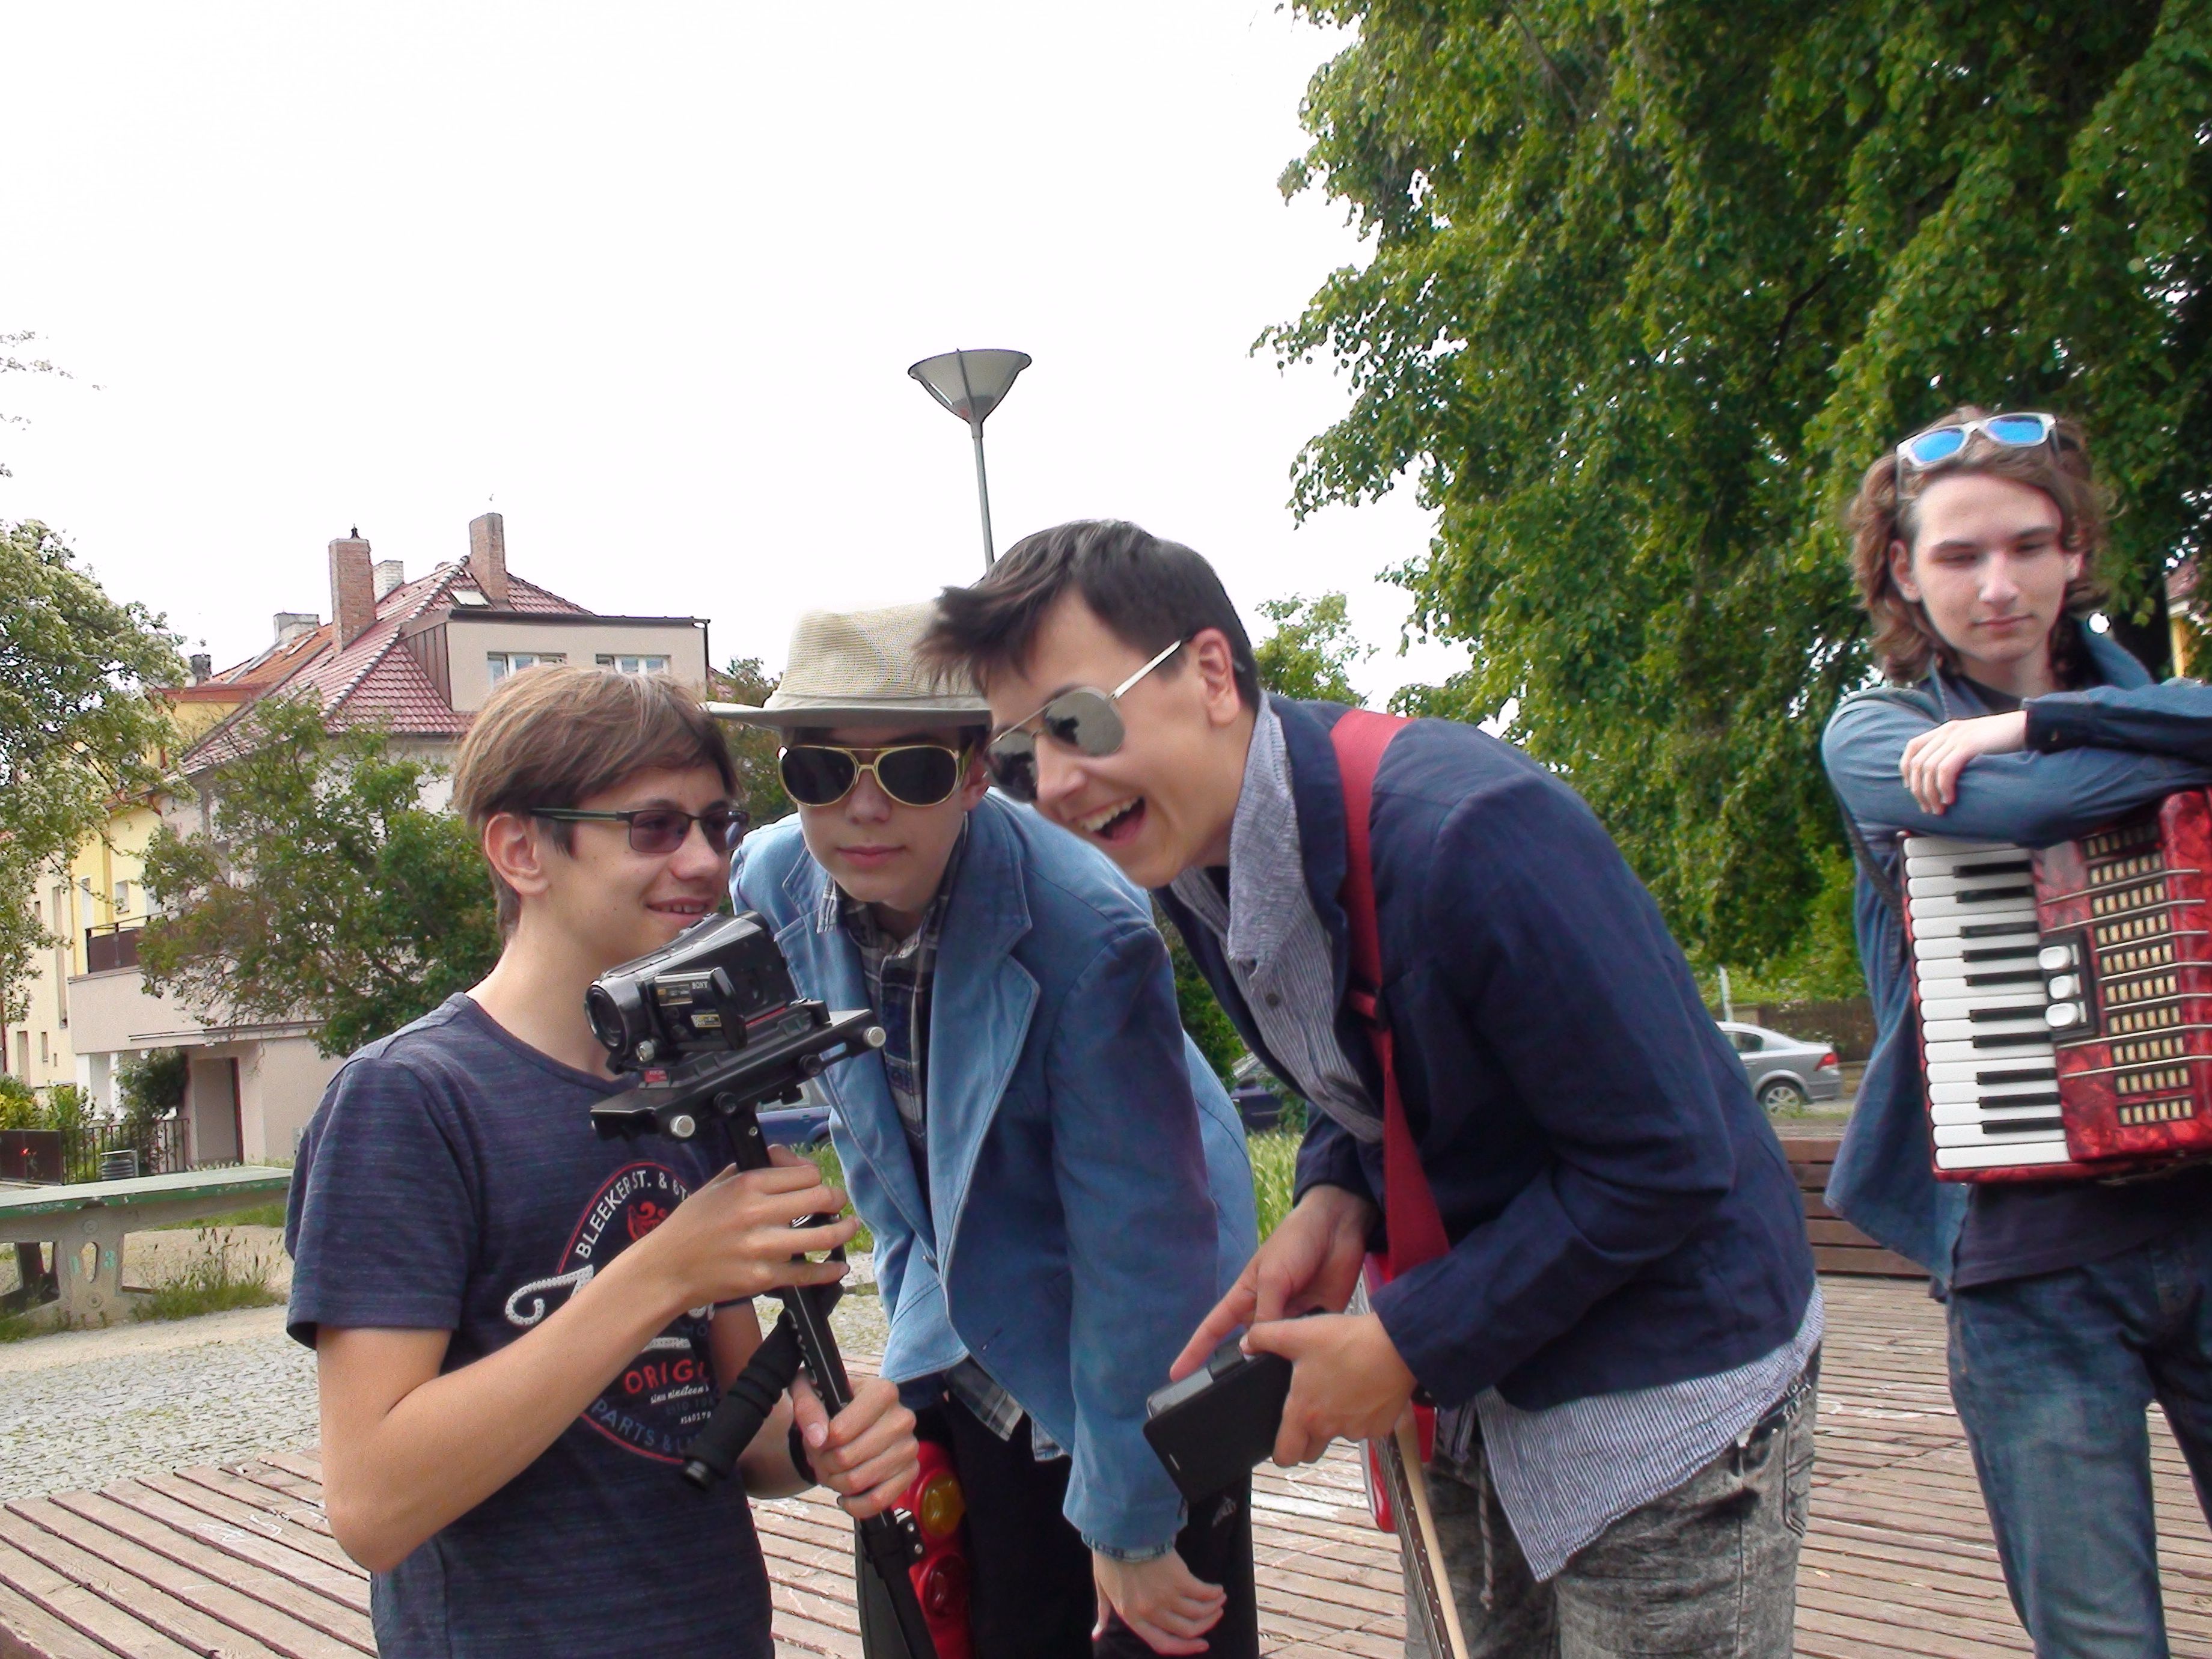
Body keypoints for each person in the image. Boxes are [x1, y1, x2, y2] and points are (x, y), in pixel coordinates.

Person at [921, 521, 1821, 1658]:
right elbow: (1379, 1064)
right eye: (1017, 760)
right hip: (1485, 1379)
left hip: (1668, 1393)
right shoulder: (1192, 858)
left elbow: (1670, 1161)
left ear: (1211, 675)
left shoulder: (1471, 835)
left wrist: (1405, 1344)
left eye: (1079, 723)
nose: (1053, 786)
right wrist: (1334, 1193)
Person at [284, 665, 918, 1658]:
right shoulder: (408, 1101)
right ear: (521, 850)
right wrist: (662, 1273)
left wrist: (823, 1433)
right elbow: (374, 1502)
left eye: (719, 825)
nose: (704, 861)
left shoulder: (682, 1083)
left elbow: (735, 1434)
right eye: (654, 827)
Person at [723, 602, 1261, 1659]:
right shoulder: (774, 881)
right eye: (822, 771)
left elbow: (1141, 1250)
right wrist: (908, 1364)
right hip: (973, 1317)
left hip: (1153, 1322)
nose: (863, 808)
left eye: (912, 769)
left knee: (1149, 1622)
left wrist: (1130, 1517)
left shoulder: (1088, 932)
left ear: (976, 774)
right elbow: (892, 1159)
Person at [1821, 408, 2212, 1658]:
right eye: (1958, 556)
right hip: (2026, 1263)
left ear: (2074, 550)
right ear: (1901, 570)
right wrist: (2089, 751)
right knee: (2101, 1644)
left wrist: (2038, 722)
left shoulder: (2159, 695)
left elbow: (2043, 768)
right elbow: (2026, 812)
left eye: (2027, 547)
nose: (1998, 586)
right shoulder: (1875, 734)